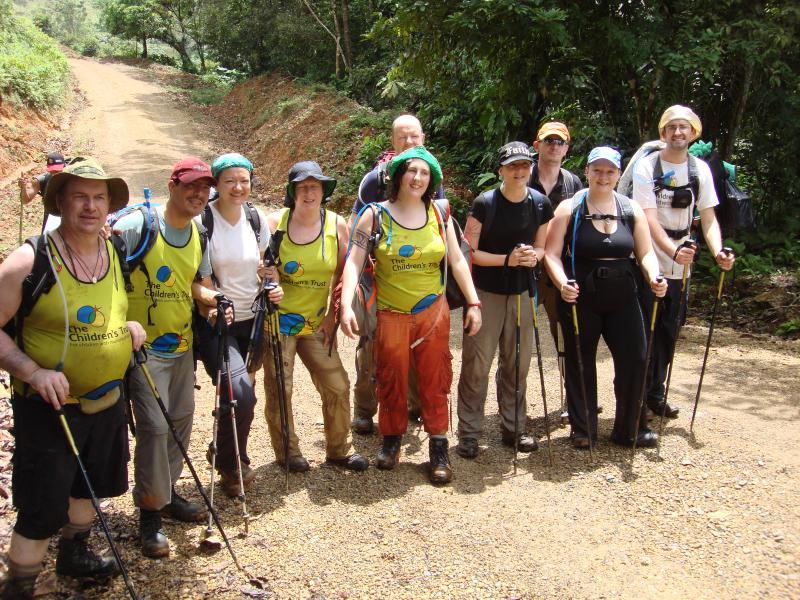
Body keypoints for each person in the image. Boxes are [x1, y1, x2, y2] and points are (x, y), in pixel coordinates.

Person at [0, 158, 146, 598]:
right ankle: (20, 584)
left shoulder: (114, 251)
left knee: (92, 484)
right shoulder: (29, 261)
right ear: (60, 202)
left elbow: (114, 309)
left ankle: (75, 552)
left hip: (106, 400)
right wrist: (31, 370)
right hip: (49, 409)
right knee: (42, 504)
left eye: (99, 197)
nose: (90, 206)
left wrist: (130, 329)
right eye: (79, 196)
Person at [340, 146, 482, 484]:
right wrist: (345, 304)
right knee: (391, 377)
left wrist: (474, 303)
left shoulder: (440, 213)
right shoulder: (374, 215)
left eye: (424, 172)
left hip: (432, 311)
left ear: (431, 179)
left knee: (435, 378)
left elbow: (458, 261)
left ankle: (438, 444)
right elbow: (354, 261)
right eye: (411, 171)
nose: (417, 178)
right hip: (390, 312)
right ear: (399, 175)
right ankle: (391, 439)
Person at [115, 157, 220, 558]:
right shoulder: (138, 226)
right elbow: (102, 270)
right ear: (172, 185)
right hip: (142, 352)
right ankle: (149, 513)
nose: (199, 194)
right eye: (191, 185)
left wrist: (213, 304)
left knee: (179, 423)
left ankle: (167, 492)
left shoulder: (197, 232)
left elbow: (197, 283)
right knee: (155, 428)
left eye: (205, 188)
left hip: (182, 346)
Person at [544, 147, 667, 448]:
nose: (603, 176)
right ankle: (583, 429)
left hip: (624, 295)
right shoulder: (569, 208)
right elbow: (551, 253)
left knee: (636, 358)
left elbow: (645, 251)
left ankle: (629, 429)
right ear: (586, 171)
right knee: (579, 360)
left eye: (609, 171)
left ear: (618, 174)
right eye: (597, 170)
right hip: (580, 296)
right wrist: (562, 284)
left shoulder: (630, 209)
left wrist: (654, 276)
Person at [262, 161, 368, 473]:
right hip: (278, 323)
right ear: (292, 191)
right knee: (280, 388)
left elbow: (343, 271)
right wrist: (268, 279)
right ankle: (288, 453)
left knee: (336, 383)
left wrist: (333, 315)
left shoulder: (336, 225)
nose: (309, 192)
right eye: (303, 186)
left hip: (317, 322)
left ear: (323, 191)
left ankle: (339, 450)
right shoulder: (274, 224)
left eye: (315, 186)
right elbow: (260, 270)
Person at [632, 106, 735, 420]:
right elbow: (647, 220)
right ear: (663, 132)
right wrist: (672, 251)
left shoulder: (699, 170)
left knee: (669, 329)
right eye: (672, 127)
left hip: (683, 261)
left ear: (693, 133)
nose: (678, 133)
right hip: (648, 256)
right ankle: (636, 395)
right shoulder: (647, 167)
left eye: (684, 127)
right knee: (644, 329)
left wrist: (718, 251)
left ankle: (655, 393)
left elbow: (708, 218)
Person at [346, 114, 443, 435]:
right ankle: (364, 409)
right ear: (392, 141)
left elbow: (439, 229)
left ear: (423, 137)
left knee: (419, 344)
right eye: (402, 138)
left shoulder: (431, 175)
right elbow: (354, 230)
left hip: (417, 280)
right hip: (377, 281)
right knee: (373, 345)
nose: (409, 143)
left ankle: (413, 405)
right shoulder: (375, 180)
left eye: (414, 137)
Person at [194, 153, 283, 497]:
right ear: (216, 183)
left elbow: (265, 265)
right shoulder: (203, 222)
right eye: (229, 180)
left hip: (253, 319)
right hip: (218, 323)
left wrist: (273, 283)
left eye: (243, 180)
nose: (237, 186)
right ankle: (233, 467)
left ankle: (226, 451)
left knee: (242, 393)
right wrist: (213, 301)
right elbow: (195, 281)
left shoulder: (255, 217)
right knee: (242, 395)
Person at [456, 142, 552, 459]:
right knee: (477, 364)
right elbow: (469, 251)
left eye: (525, 165)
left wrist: (529, 257)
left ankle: (514, 428)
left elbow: (542, 247)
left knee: (518, 362)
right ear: (501, 170)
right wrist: (507, 260)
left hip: (523, 292)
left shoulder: (540, 204)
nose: (520, 171)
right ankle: (469, 433)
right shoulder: (485, 203)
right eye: (513, 166)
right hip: (486, 293)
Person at [528, 122, 583, 349]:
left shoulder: (573, 184)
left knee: (565, 336)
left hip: (559, 270)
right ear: (537, 145)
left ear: (566, 148)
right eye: (548, 140)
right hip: (527, 268)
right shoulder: (522, 177)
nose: (554, 146)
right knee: (515, 335)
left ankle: (568, 383)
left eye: (559, 142)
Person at [17, 151, 68, 233]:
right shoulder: (42, 180)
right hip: (50, 219)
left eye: (58, 170)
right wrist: (24, 188)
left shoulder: (72, 179)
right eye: (53, 171)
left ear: (64, 166)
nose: (55, 174)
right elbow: (25, 200)